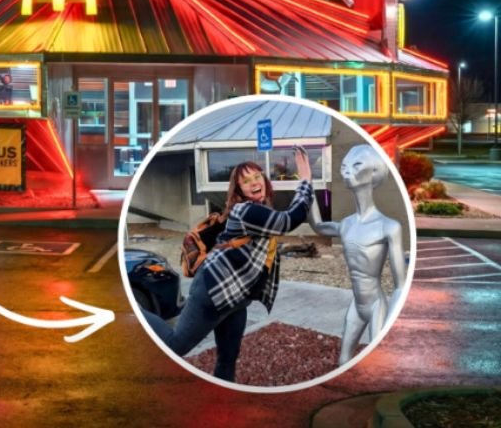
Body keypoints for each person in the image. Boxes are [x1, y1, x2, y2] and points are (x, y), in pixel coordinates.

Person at [139, 147, 314, 382]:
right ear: (239, 189)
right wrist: (305, 181)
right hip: (213, 292)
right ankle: (134, 315)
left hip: (236, 299)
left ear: (264, 179)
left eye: (257, 176)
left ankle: (224, 401)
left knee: (227, 358)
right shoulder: (246, 211)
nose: (253, 182)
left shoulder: (261, 209)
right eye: (246, 181)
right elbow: (288, 221)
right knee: (175, 345)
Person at [307, 144, 406, 365]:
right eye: (344, 166)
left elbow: (400, 285)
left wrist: (391, 320)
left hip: (376, 306)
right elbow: (319, 226)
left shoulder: (388, 227)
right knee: (344, 360)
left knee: (378, 363)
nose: (347, 171)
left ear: (374, 172)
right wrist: (307, 187)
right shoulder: (346, 225)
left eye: (357, 164)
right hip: (357, 305)